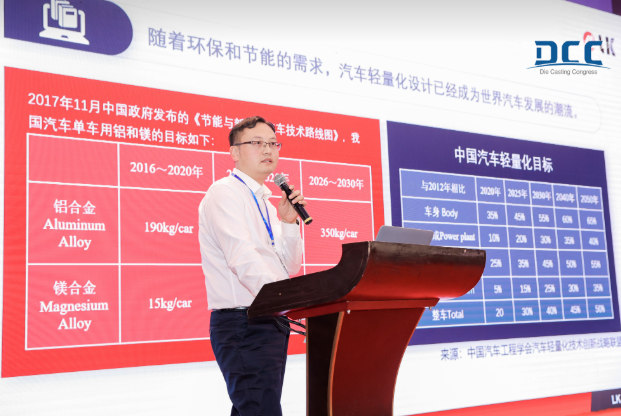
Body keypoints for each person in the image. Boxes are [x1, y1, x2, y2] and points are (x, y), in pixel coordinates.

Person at [198, 116, 305, 415]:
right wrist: (286, 302)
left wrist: (289, 223)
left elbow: (290, 266)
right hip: (242, 324)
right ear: (234, 152)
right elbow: (241, 258)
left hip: (269, 320)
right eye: (257, 143)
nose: (267, 149)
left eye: (273, 143)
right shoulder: (224, 193)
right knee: (261, 409)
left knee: (254, 409)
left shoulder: (267, 204)